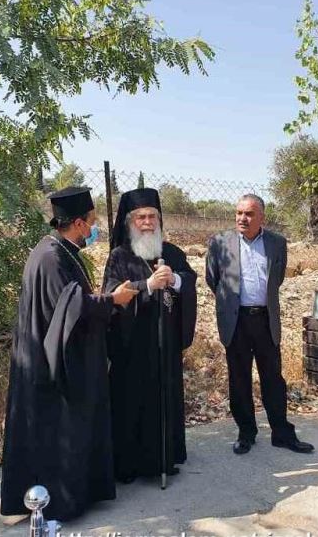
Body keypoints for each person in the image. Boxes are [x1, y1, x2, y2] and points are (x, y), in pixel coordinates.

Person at [0, 187, 137, 522]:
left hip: (52, 356)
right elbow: (70, 306)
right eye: (91, 222)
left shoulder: (59, 250)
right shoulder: (51, 257)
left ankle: (78, 493)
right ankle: (57, 502)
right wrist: (112, 301)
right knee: (57, 431)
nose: (94, 228)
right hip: (51, 366)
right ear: (77, 223)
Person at [205, 194, 314, 455]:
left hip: (266, 320)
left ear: (262, 217)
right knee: (239, 379)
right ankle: (246, 433)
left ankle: (282, 433)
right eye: (239, 213)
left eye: (249, 214)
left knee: (273, 379)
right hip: (236, 321)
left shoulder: (277, 243)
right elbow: (213, 279)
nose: (243, 218)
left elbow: (276, 280)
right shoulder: (220, 243)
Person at [103, 188, 197, 484]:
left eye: (152, 216)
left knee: (165, 400)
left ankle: (164, 459)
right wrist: (147, 285)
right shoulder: (119, 256)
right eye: (141, 217)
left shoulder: (172, 253)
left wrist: (176, 280)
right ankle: (130, 464)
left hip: (165, 346)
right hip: (132, 347)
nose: (147, 223)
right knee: (132, 402)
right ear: (130, 221)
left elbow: (190, 281)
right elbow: (111, 295)